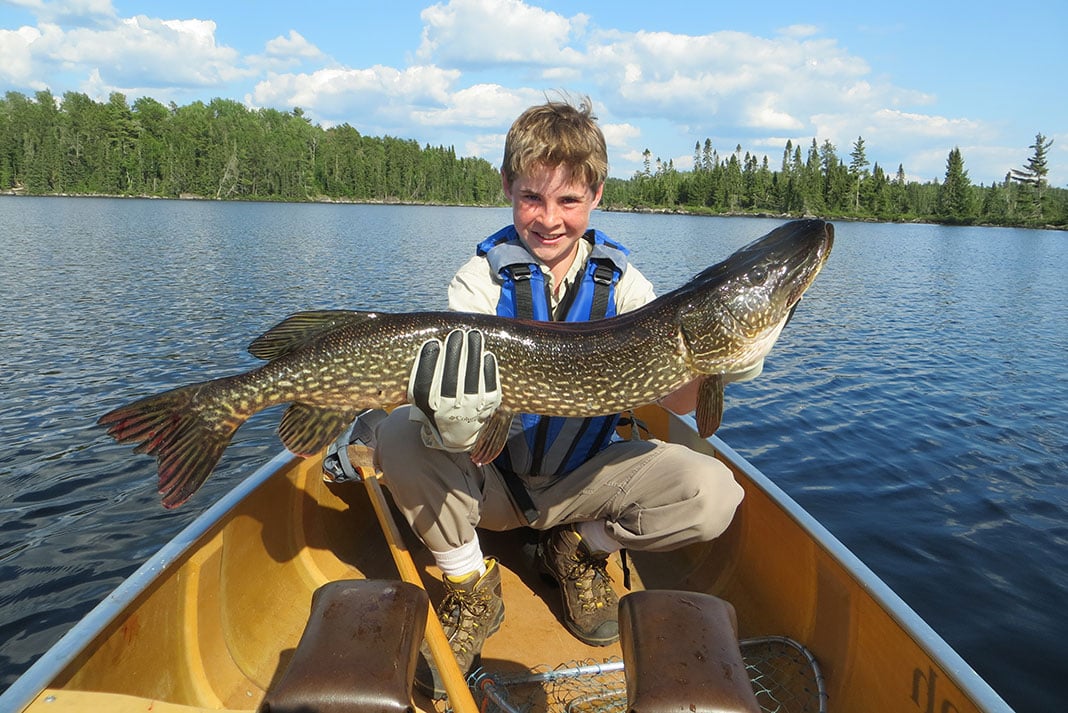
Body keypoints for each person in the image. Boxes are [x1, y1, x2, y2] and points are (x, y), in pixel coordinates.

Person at [371, 98, 745, 698]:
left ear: (596, 195)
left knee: (714, 492)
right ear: (507, 190)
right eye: (532, 198)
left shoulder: (627, 285)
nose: (549, 218)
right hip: (492, 484)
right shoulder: (478, 282)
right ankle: (470, 585)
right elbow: (454, 428)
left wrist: (716, 360)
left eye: (568, 200)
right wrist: (455, 422)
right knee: (394, 434)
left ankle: (578, 550)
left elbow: (680, 405)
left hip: (582, 488)